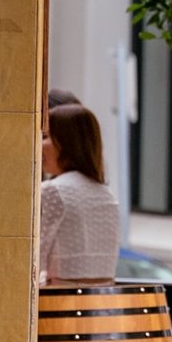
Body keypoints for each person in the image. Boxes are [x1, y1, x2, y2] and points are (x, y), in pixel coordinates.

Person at [39, 101, 121, 285]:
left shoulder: (53, 190)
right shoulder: (106, 194)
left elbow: (36, 259)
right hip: (103, 305)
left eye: (47, 136)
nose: (40, 144)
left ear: (68, 143)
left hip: (60, 303)